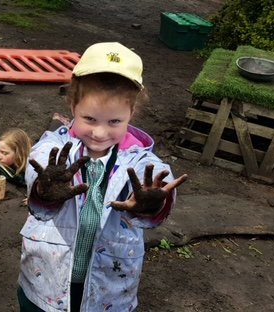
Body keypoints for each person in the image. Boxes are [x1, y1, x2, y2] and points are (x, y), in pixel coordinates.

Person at [17, 42, 188, 311]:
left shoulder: (139, 158)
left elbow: (155, 176)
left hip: (109, 287)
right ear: (72, 105)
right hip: (45, 278)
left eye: (114, 122)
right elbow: (38, 160)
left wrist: (151, 202)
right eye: (90, 119)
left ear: (132, 113)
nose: (99, 133)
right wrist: (43, 188)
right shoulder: (54, 148)